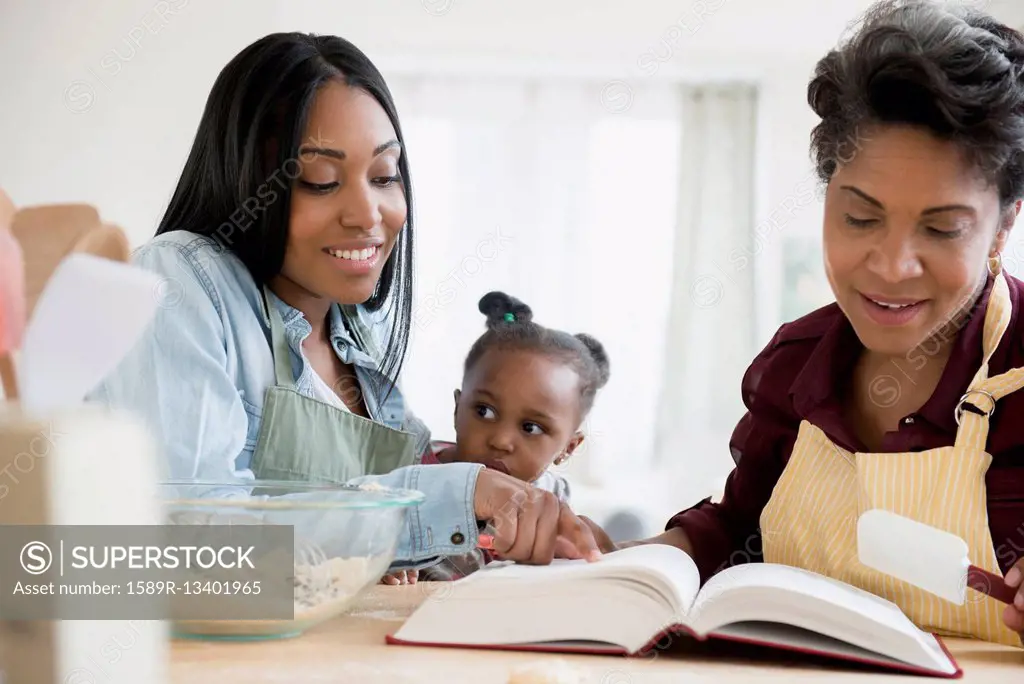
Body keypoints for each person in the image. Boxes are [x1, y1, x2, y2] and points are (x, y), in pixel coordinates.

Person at [585, 0, 1024, 647]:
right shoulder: (796, 364)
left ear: (1002, 226)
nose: (892, 265)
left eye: (940, 228)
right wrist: (619, 563)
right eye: (860, 216)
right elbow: (740, 531)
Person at [86, 31, 599, 574]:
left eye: (384, 176)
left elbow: (426, 494)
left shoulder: (359, 342)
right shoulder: (180, 277)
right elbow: (192, 543)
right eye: (320, 180)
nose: (367, 214)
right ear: (248, 181)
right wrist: (452, 497)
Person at [398, 291, 610, 583]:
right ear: (458, 408)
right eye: (484, 411)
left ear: (568, 447)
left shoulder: (552, 501)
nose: (500, 440)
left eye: (531, 428)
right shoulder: (411, 476)